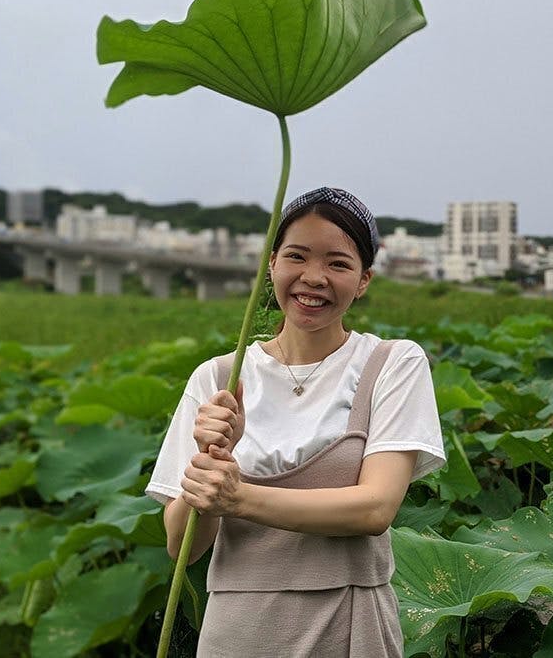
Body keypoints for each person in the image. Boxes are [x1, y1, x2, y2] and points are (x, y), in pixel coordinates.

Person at [146, 187, 447, 657]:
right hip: (238, 630)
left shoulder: (392, 363)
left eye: (338, 264)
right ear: (272, 264)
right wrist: (211, 459)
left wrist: (238, 496)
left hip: (350, 622)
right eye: (297, 257)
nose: (314, 278)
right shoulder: (220, 377)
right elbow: (181, 544)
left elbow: (374, 510)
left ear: (364, 280)